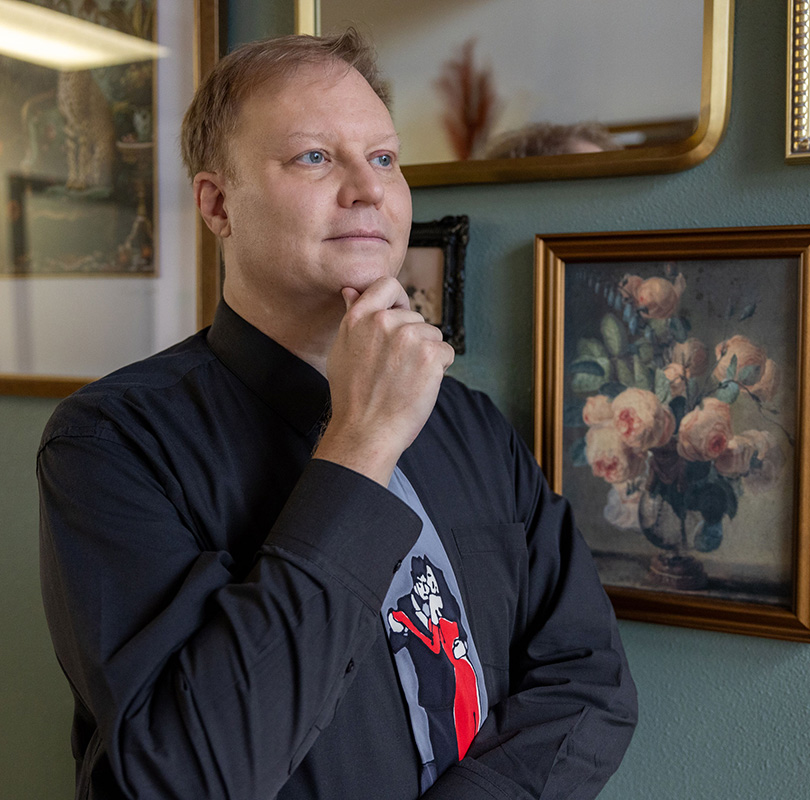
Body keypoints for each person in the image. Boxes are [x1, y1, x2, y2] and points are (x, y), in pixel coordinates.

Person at [38, 30, 637, 800]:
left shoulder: (471, 423)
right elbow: (184, 776)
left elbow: (590, 683)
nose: (368, 189)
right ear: (217, 203)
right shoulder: (112, 444)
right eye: (314, 158)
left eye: (384, 158)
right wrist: (362, 444)